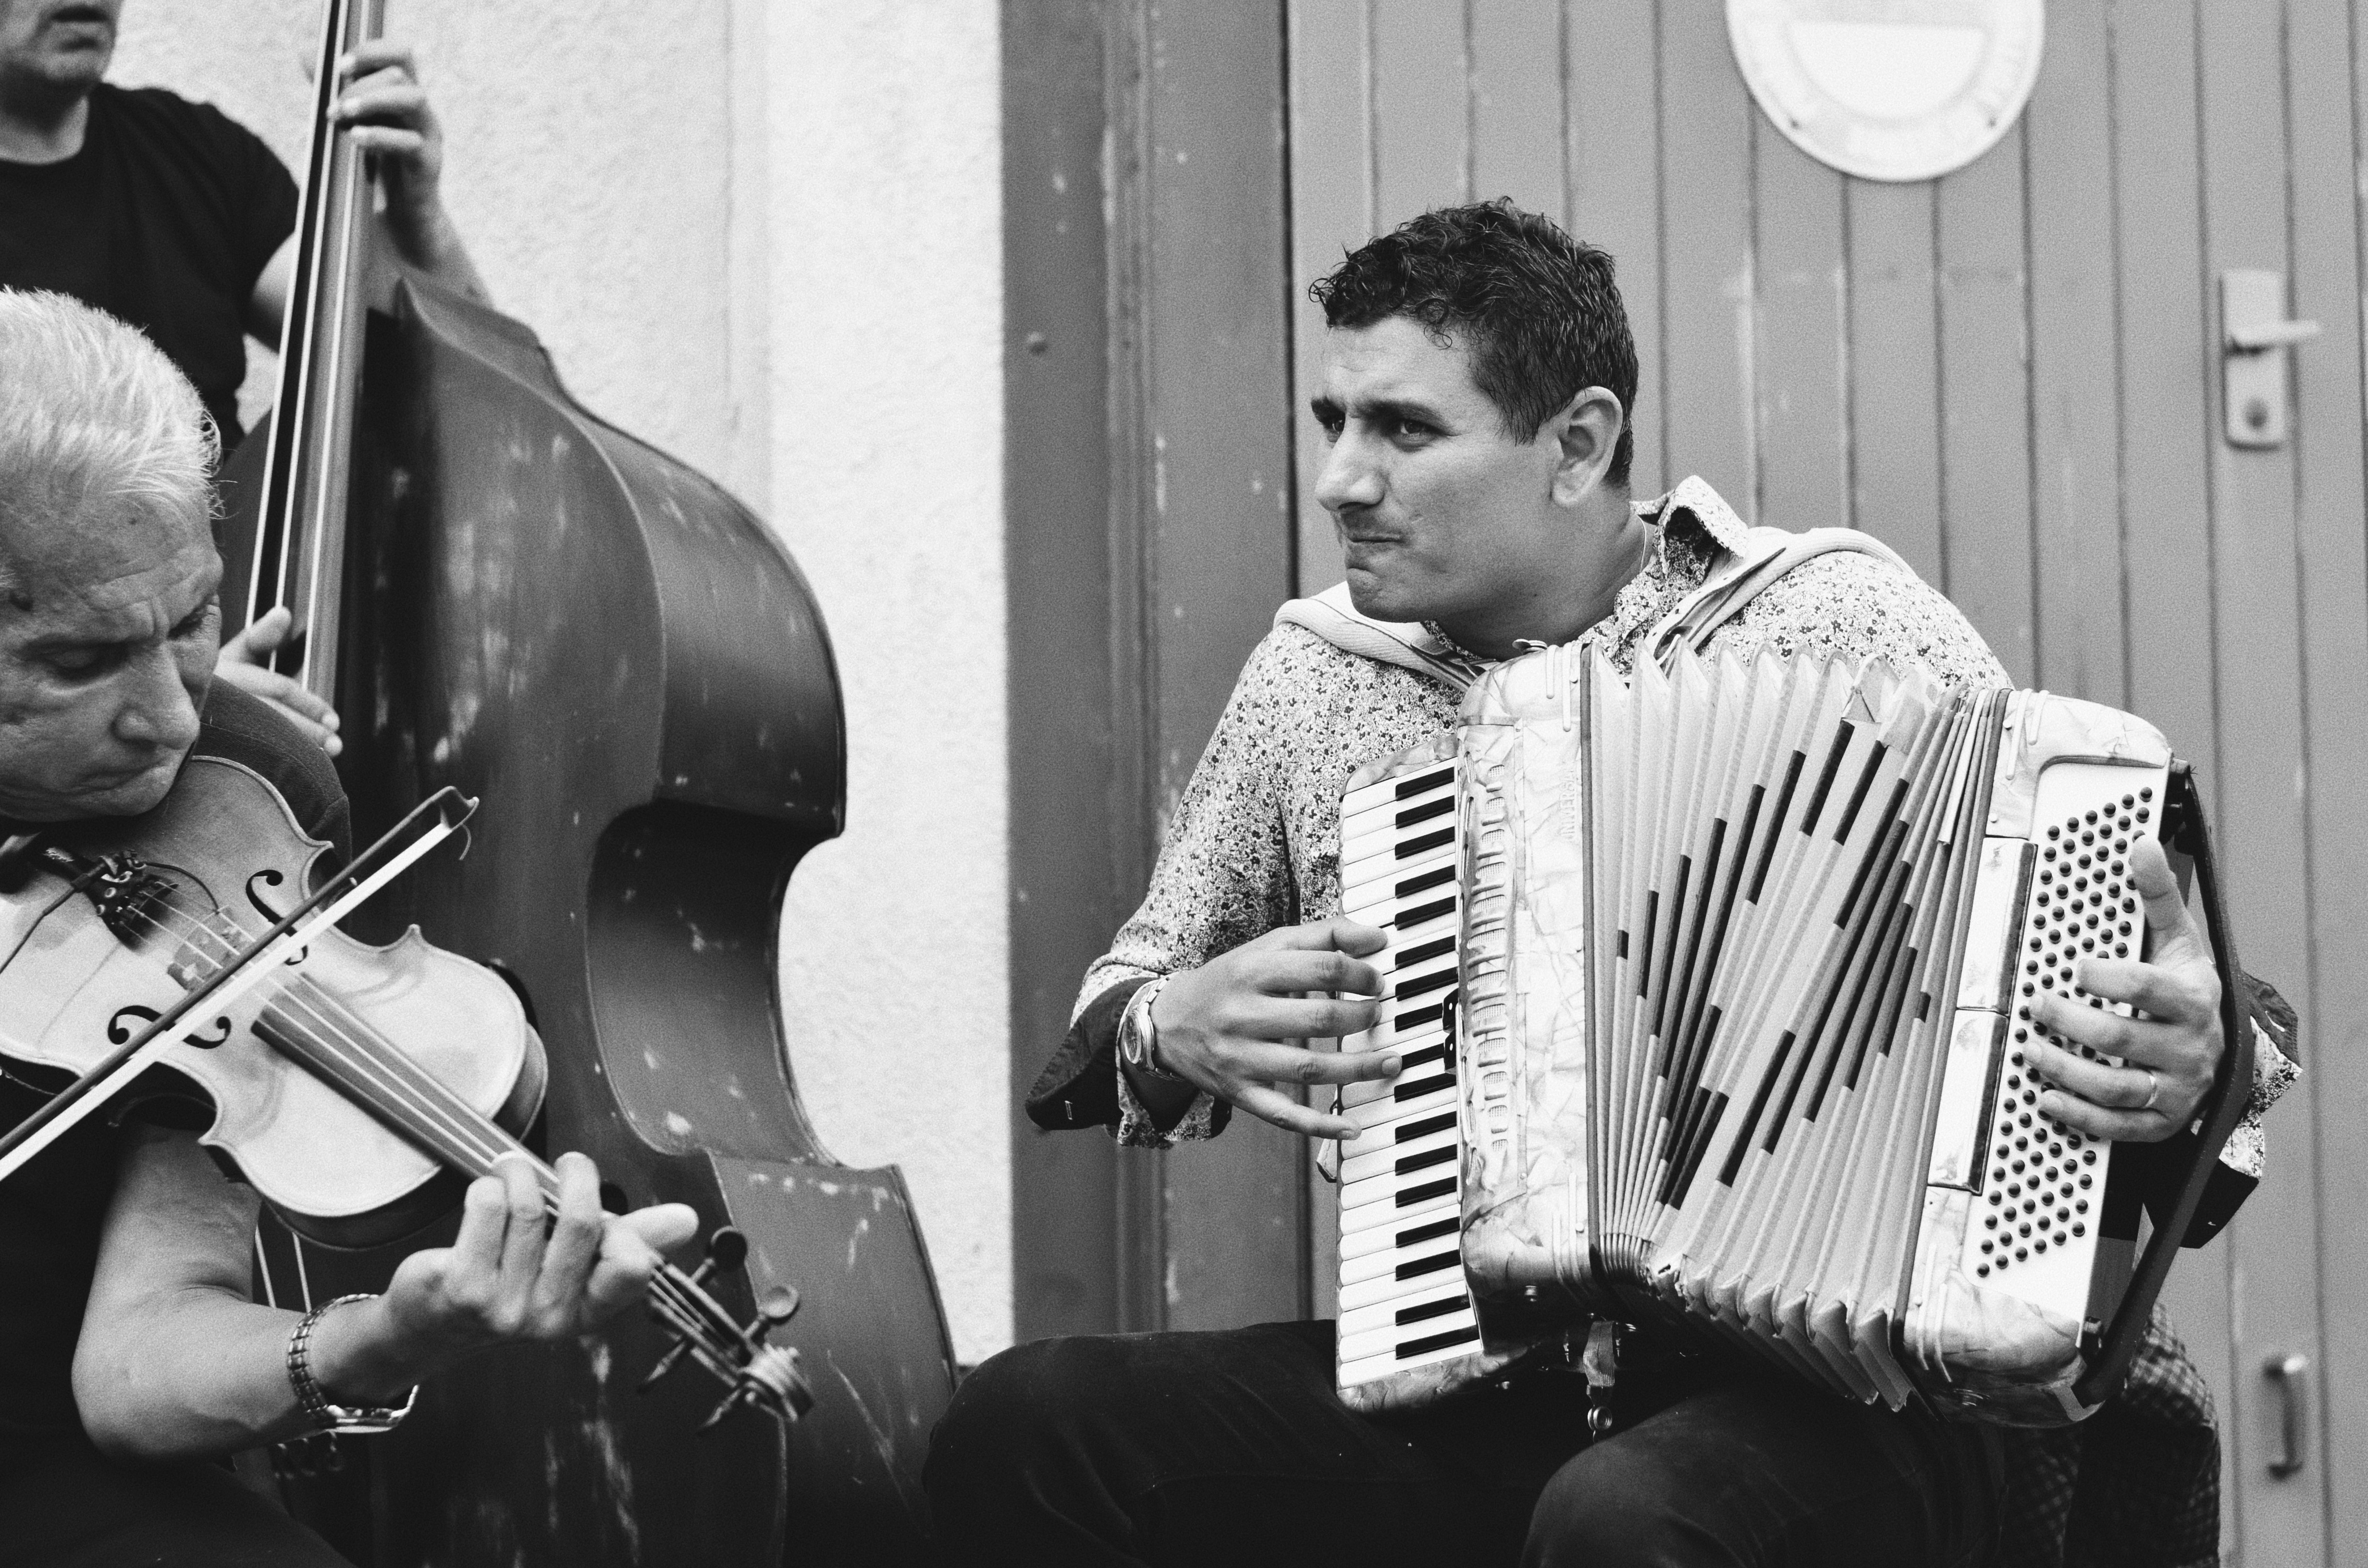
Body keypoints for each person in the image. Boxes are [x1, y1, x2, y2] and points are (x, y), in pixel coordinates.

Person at [927, 202, 2299, 1567]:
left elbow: (2136, 993)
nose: (1343, 478)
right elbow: (1114, 1021)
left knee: (1629, 1519)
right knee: (1029, 1422)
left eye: (1403, 429)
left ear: (1577, 443)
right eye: (1331, 420)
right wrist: (1175, 1024)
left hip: (1869, 1393)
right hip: (1492, 1380)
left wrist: (2189, 1062)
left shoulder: (1836, 621)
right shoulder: (1314, 683)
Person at [0, 291, 697, 1565]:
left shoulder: (243, 793)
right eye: (82, 661)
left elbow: (136, 1349)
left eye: (191, 621)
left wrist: (379, 1336)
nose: (166, 715)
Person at [0, 0, 490, 758]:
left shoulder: (197, 156)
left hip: (230, 638)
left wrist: (419, 213)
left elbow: (441, 374)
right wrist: (185, 697)